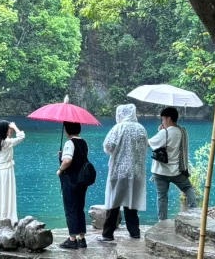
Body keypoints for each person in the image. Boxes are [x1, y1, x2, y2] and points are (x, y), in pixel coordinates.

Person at [100, 103, 149, 241]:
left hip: (119, 171)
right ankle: (134, 232)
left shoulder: (119, 128)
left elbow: (108, 146)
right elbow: (145, 147)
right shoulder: (141, 129)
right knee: (131, 203)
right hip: (137, 171)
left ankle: (108, 234)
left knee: (113, 202)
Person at [148, 105, 196, 220]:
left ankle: (162, 221)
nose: (162, 121)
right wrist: (162, 131)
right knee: (188, 188)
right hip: (177, 171)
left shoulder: (165, 133)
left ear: (169, 119)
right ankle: (195, 210)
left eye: (163, 119)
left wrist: (160, 132)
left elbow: (150, 143)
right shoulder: (182, 131)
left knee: (162, 197)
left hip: (160, 171)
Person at [57, 121, 89, 249]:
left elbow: (68, 160)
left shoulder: (69, 143)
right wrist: (62, 154)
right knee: (79, 208)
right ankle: (82, 239)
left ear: (67, 130)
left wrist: (60, 169)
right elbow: (80, 158)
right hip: (82, 180)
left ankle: (72, 239)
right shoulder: (83, 142)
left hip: (70, 180)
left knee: (70, 209)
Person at [0, 120, 25, 228]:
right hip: (6, 171)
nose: (10, 130)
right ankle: (6, 217)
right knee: (6, 193)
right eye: (8, 129)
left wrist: (10, 129)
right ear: (4, 130)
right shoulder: (6, 142)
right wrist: (15, 126)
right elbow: (21, 137)